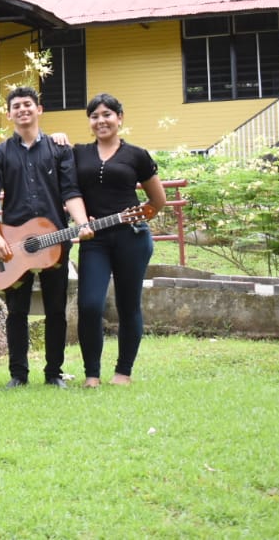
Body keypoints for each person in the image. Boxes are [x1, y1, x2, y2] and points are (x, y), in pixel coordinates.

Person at [0, 87, 92, 389]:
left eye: (28, 105)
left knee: (56, 309)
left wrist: (81, 223)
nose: (22, 110)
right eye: (16, 106)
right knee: (17, 312)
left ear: (39, 109)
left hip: (55, 241)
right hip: (13, 246)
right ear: (9, 114)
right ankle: (18, 375)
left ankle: (53, 373)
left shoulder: (60, 150)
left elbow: (71, 191)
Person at [70, 93, 168, 388]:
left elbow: (157, 200)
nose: (101, 121)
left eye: (107, 115)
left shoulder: (137, 155)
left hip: (131, 238)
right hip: (94, 239)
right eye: (95, 116)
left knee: (128, 305)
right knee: (89, 305)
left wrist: (137, 220)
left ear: (119, 117)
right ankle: (91, 374)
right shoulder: (78, 153)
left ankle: (123, 372)